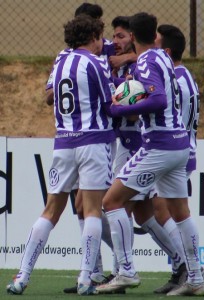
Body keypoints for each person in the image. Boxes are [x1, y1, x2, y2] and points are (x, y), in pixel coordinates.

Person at [96, 12, 204, 297]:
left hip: (159, 145)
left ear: (132, 36)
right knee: (180, 212)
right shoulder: (162, 58)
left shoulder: (146, 60)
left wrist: (120, 108)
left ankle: (126, 272)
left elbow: (156, 99)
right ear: (152, 33)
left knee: (111, 201)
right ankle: (194, 277)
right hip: (179, 144)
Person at [6, 15, 116, 296]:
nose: (100, 44)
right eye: (99, 39)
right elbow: (110, 105)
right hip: (93, 141)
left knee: (50, 210)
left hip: (64, 143)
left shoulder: (61, 62)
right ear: (92, 37)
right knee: (92, 209)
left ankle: (22, 276)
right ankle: (85, 278)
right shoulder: (95, 63)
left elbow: (49, 96)